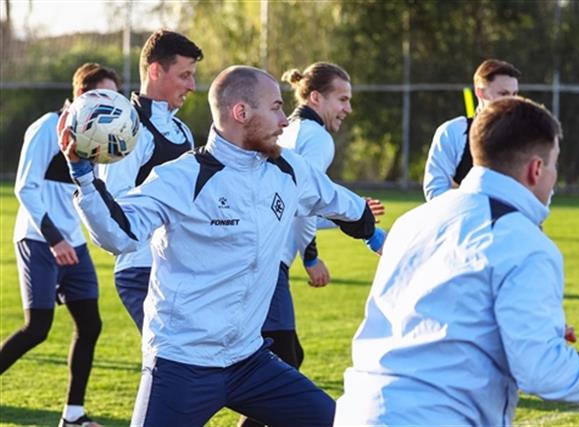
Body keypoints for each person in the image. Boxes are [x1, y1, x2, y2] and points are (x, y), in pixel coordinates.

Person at [59, 65, 386, 427]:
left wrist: (378, 239)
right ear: (241, 112)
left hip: (250, 362)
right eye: (276, 108)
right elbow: (119, 235)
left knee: (338, 422)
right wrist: (84, 177)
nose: (284, 121)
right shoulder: (182, 176)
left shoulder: (288, 168)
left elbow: (341, 203)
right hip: (182, 365)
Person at [334, 96, 579, 426]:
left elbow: (434, 318)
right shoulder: (525, 242)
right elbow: (544, 373)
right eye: (554, 165)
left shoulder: (413, 221)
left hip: (358, 411)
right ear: (536, 169)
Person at [238, 61, 385, 427]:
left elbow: (296, 206)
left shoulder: (288, 130)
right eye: (342, 99)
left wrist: (353, 214)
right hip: (268, 263)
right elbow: (304, 201)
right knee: (281, 366)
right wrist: (311, 256)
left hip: (254, 255)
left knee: (283, 360)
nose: (348, 108)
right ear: (316, 97)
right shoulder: (318, 138)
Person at [1, 62, 121, 427]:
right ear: (83, 95)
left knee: (90, 325)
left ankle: (73, 416)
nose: (112, 104)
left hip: (74, 243)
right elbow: (25, 188)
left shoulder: (96, 137)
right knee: (37, 328)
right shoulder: (45, 128)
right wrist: (54, 239)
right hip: (39, 239)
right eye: (105, 95)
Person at [96, 29, 203, 332]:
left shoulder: (181, 130)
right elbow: (116, 206)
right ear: (155, 71)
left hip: (181, 269)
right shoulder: (127, 130)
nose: (192, 86)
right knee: (175, 353)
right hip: (142, 269)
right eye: (184, 75)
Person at [423, 58, 521, 201]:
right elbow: (435, 191)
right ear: (480, 92)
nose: (511, 101)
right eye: (503, 94)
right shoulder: (452, 132)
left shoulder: (525, 135)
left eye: (515, 94)